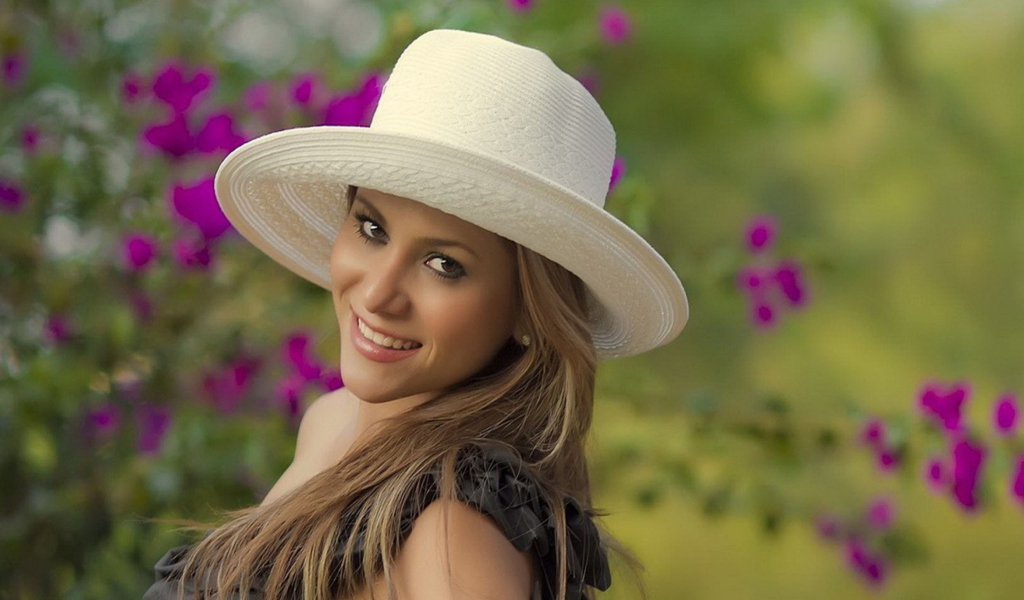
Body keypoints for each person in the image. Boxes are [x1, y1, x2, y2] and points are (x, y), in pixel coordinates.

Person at [142, 27, 689, 600]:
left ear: (529, 310)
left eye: (444, 264)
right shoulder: (331, 422)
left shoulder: (454, 522)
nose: (378, 294)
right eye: (372, 228)